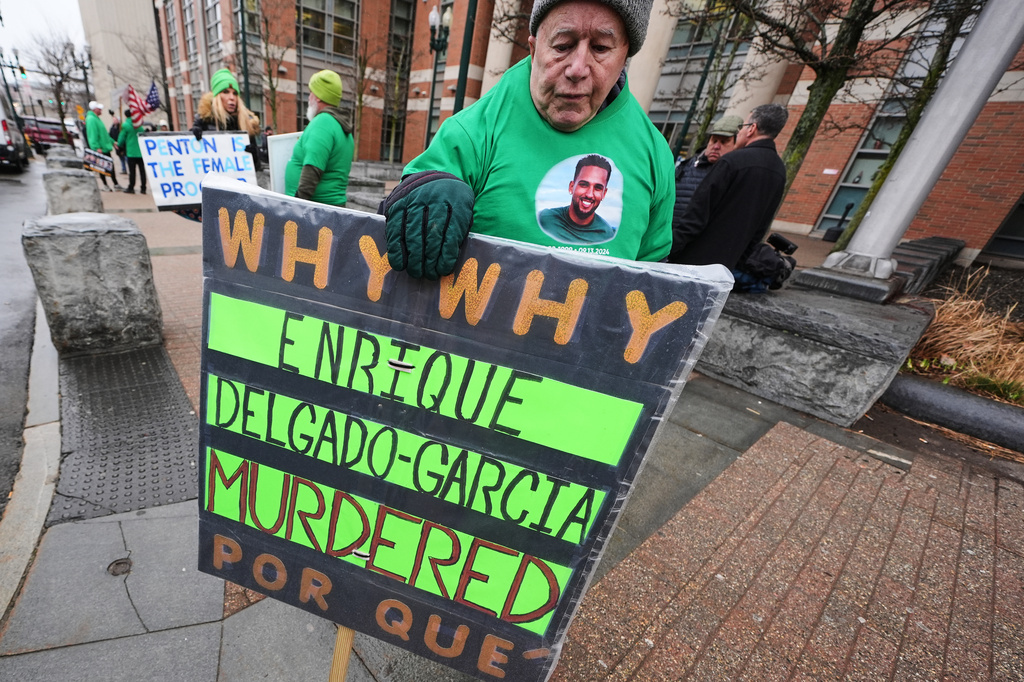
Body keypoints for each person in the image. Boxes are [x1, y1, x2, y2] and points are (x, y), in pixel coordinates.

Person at [380, 0, 672, 280]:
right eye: (563, 46)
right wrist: (422, 189)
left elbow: (656, 277)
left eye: (600, 48)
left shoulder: (655, 155)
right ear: (534, 49)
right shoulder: (474, 130)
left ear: (624, 56)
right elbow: (386, 232)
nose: (577, 69)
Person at [668, 103, 789, 270]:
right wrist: (738, 262)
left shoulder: (733, 161)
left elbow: (696, 216)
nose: (739, 131)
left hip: (692, 259)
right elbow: (760, 227)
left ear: (752, 128)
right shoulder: (778, 170)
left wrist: (670, 251)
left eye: (743, 126)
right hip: (725, 266)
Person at [285, 70, 354, 207]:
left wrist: (295, 207)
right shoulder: (340, 126)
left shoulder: (323, 122)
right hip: (330, 211)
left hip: (315, 213)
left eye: (311, 93)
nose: (309, 97)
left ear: (318, 97)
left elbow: (312, 169)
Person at [673, 114, 742, 225]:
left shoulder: (734, 175)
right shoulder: (686, 166)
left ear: (736, 145)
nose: (716, 146)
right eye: (714, 140)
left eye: (724, 142)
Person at [191, 68, 262, 171]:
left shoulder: (246, 123)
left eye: (235, 93)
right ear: (217, 96)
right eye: (226, 92)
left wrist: (254, 156)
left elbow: (256, 168)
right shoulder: (203, 121)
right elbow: (192, 162)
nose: (232, 97)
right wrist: (192, 138)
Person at [537, 154, 616, 244]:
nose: (589, 194)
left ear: (604, 194)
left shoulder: (607, 235)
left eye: (598, 188)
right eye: (584, 185)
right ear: (571, 187)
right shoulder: (544, 219)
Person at [84, 101, 121, 191]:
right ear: (95, 109)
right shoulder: (92, 119)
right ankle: (106, 185)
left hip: (104, 147)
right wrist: (96, 147)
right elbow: (93, 135)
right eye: (99, 109)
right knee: (102, 168)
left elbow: (104, 134)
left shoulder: (96, 119)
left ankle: (115, 184)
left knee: (109, 167)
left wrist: (112, 142)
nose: (101, 110)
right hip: (101, 148)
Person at [117, 109, 146, 195]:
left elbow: (122, 138)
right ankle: (143, 188)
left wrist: (119, 145)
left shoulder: (125, 125)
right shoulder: (139, 125)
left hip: (131, 152)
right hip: (140, 152)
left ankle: (131, 187)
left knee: (132, 171)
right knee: (142, 171)